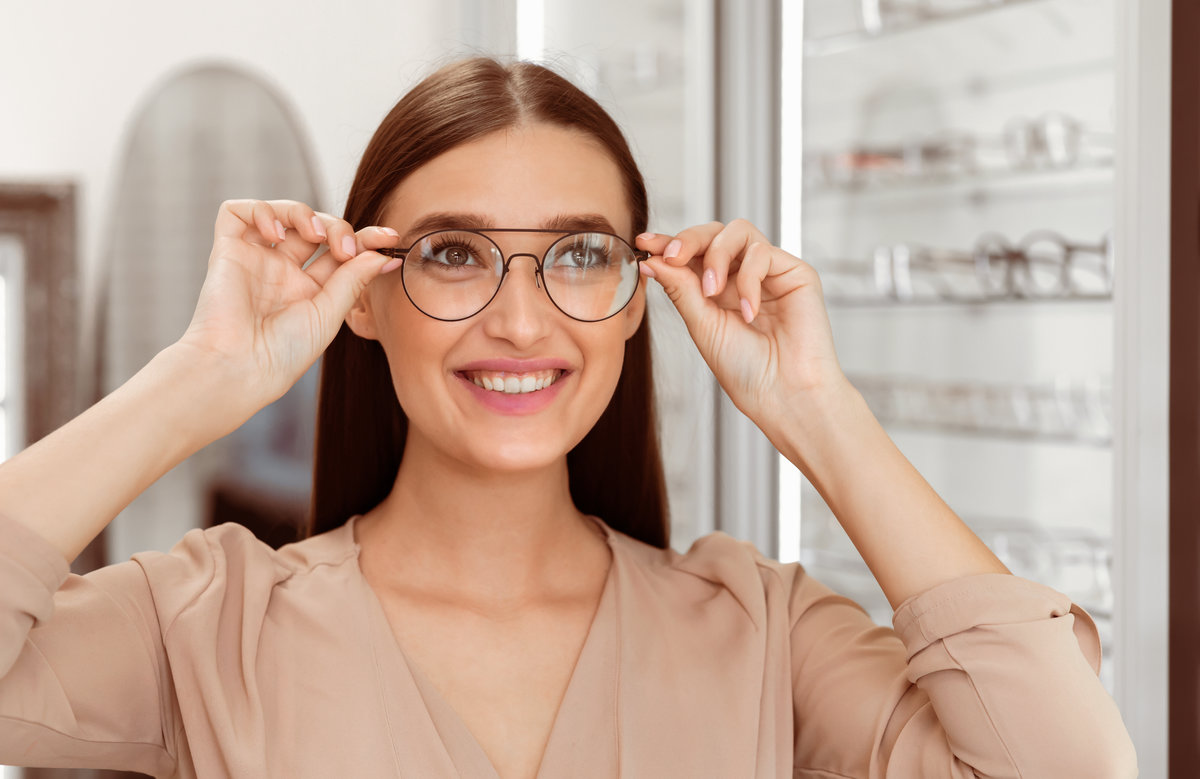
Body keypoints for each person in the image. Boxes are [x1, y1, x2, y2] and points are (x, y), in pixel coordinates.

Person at [0, 57, 1135, 778]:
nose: (520, 318)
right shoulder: (204, 626)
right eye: (452, 253)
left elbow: (1066, 763)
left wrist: (818, 411)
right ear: (363, 298)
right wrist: (197, 377)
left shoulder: (766, 637)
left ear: (639, 299)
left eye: (579, 255)